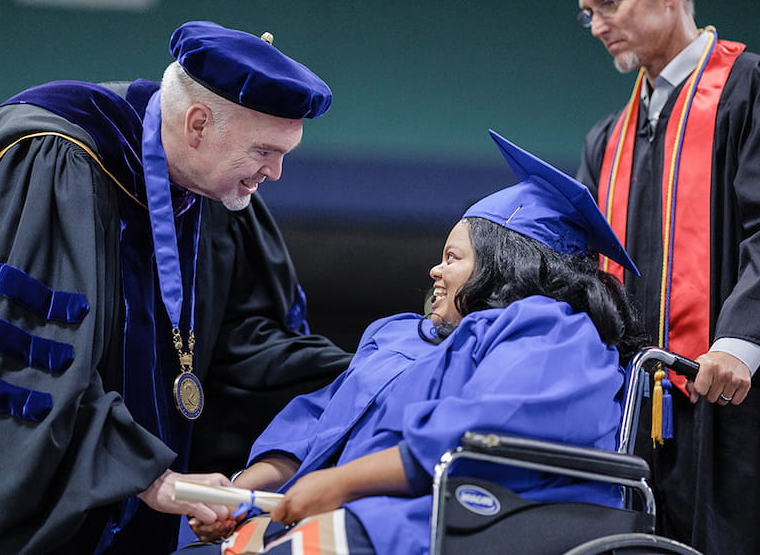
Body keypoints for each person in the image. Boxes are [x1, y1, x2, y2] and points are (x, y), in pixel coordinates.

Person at [0, 20, 352, 554]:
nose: (277, 172)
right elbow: (20, 363)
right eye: (265, 150)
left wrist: (378, 369)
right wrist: (143, 474)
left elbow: (243, 345)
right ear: (197, 123)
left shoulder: (213, 191)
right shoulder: (59, 162)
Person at [172, 130, 645, 554]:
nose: (435, 271)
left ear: (505, 264)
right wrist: (241, 494)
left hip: (461, 518)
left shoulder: (554, 332)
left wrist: (338, 486)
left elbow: (484, 432)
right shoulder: (400, 335)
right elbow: (314, 425)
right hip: (350, 510)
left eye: (453, 257)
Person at [574, 0, 760, 553]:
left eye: (609, 3)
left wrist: (740, 344)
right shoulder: (608, 139)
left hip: (739, 405)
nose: (596, 26)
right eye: (587, 12)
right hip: (635, 420)